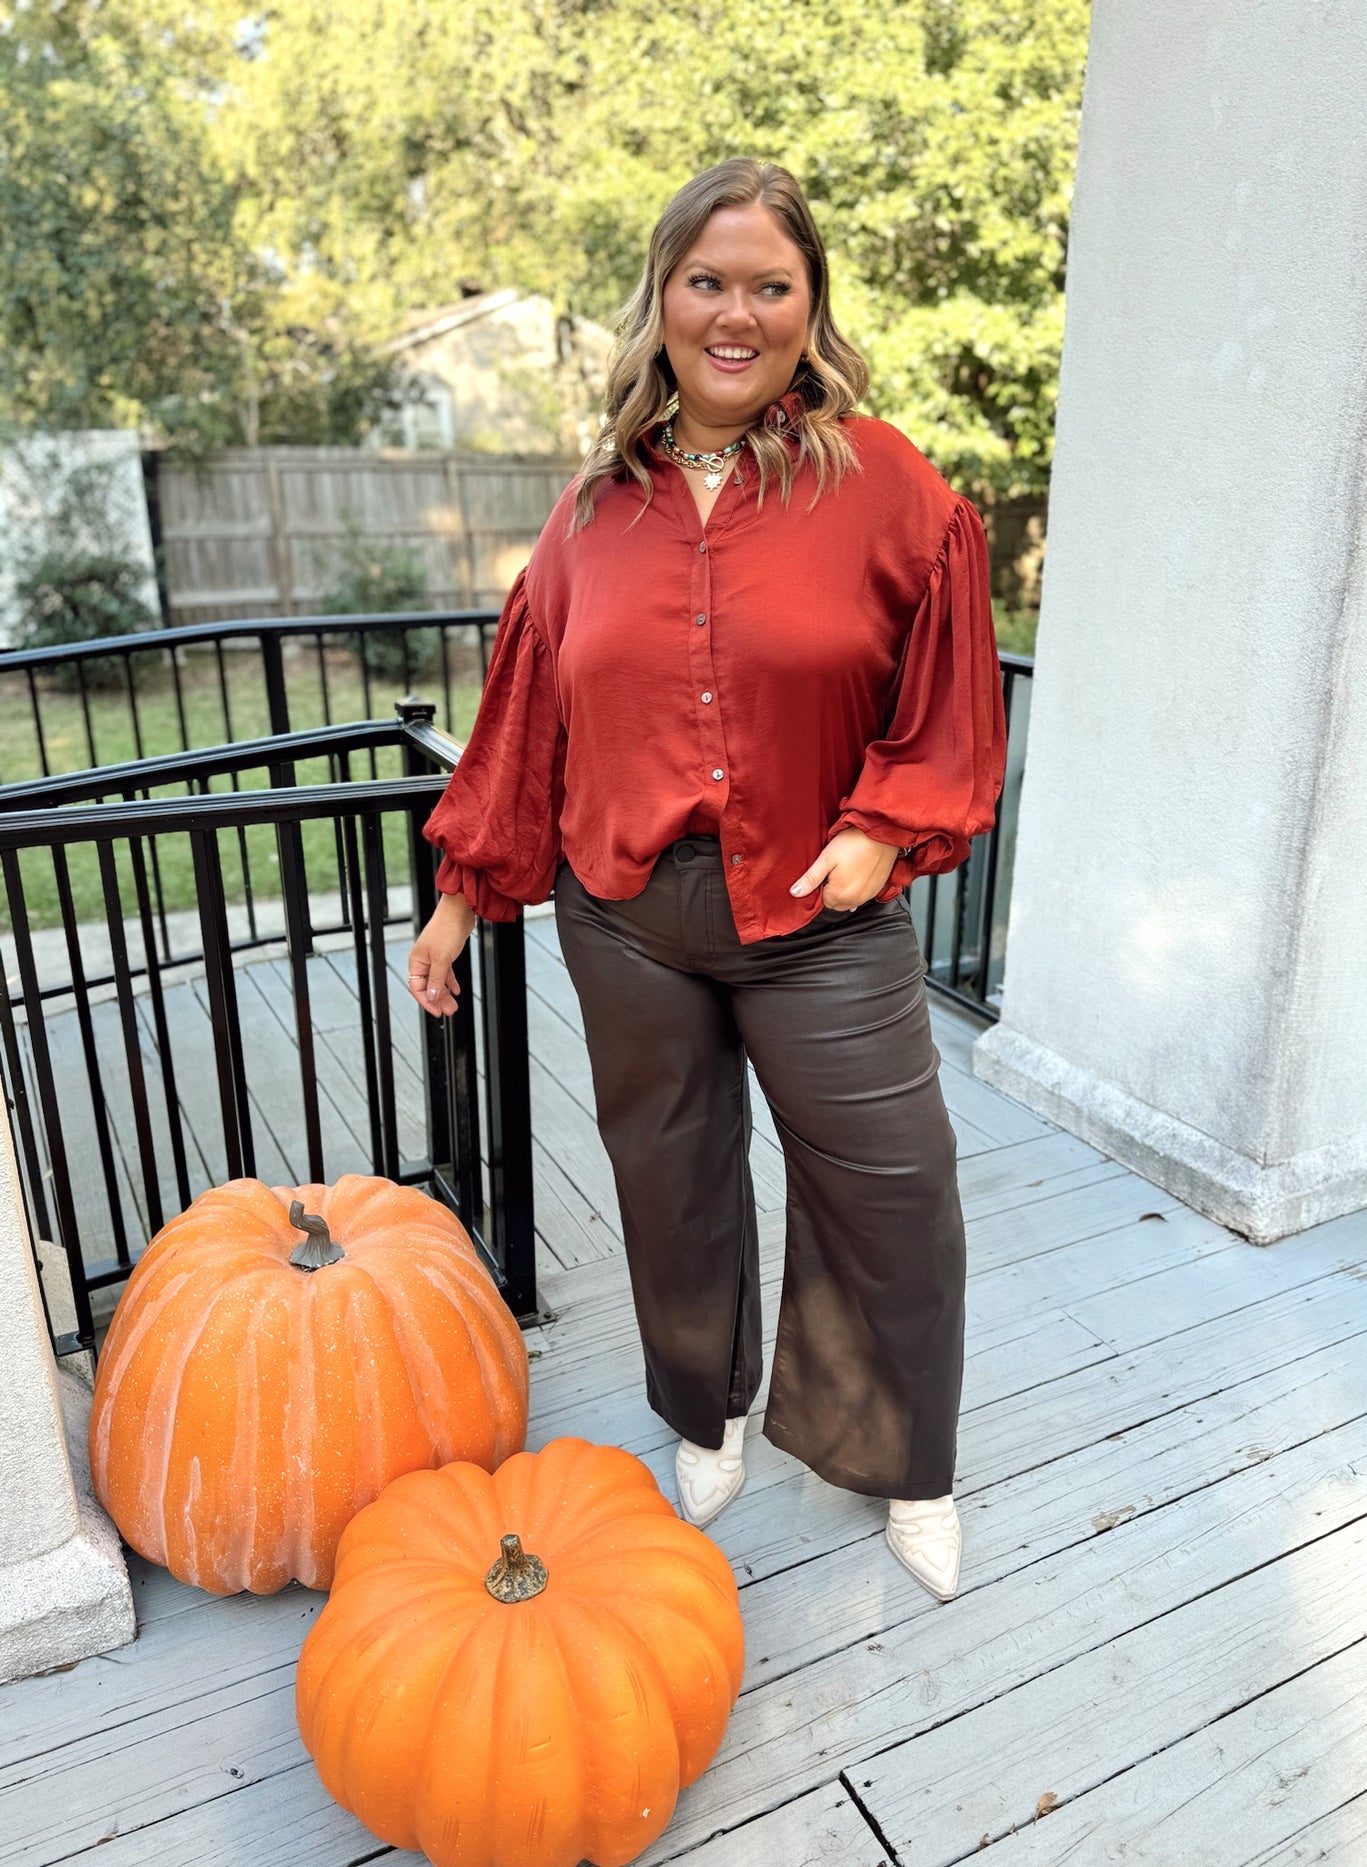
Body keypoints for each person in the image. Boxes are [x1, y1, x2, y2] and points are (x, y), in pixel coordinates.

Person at [407, 157, 1007, 1602]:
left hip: (825, 919)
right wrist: (459, 893)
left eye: (770, 286)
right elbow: (526, 717)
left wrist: (885, 826)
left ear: (811, 309)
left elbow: (949, 691)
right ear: (665, 299)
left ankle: (905, 1460)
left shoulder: (889, 486)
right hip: (627, 919)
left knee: (892, 1190)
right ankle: (708, 1409)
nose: (736, 314)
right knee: (671, 1184)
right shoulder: (590, 518)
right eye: (708, 282)